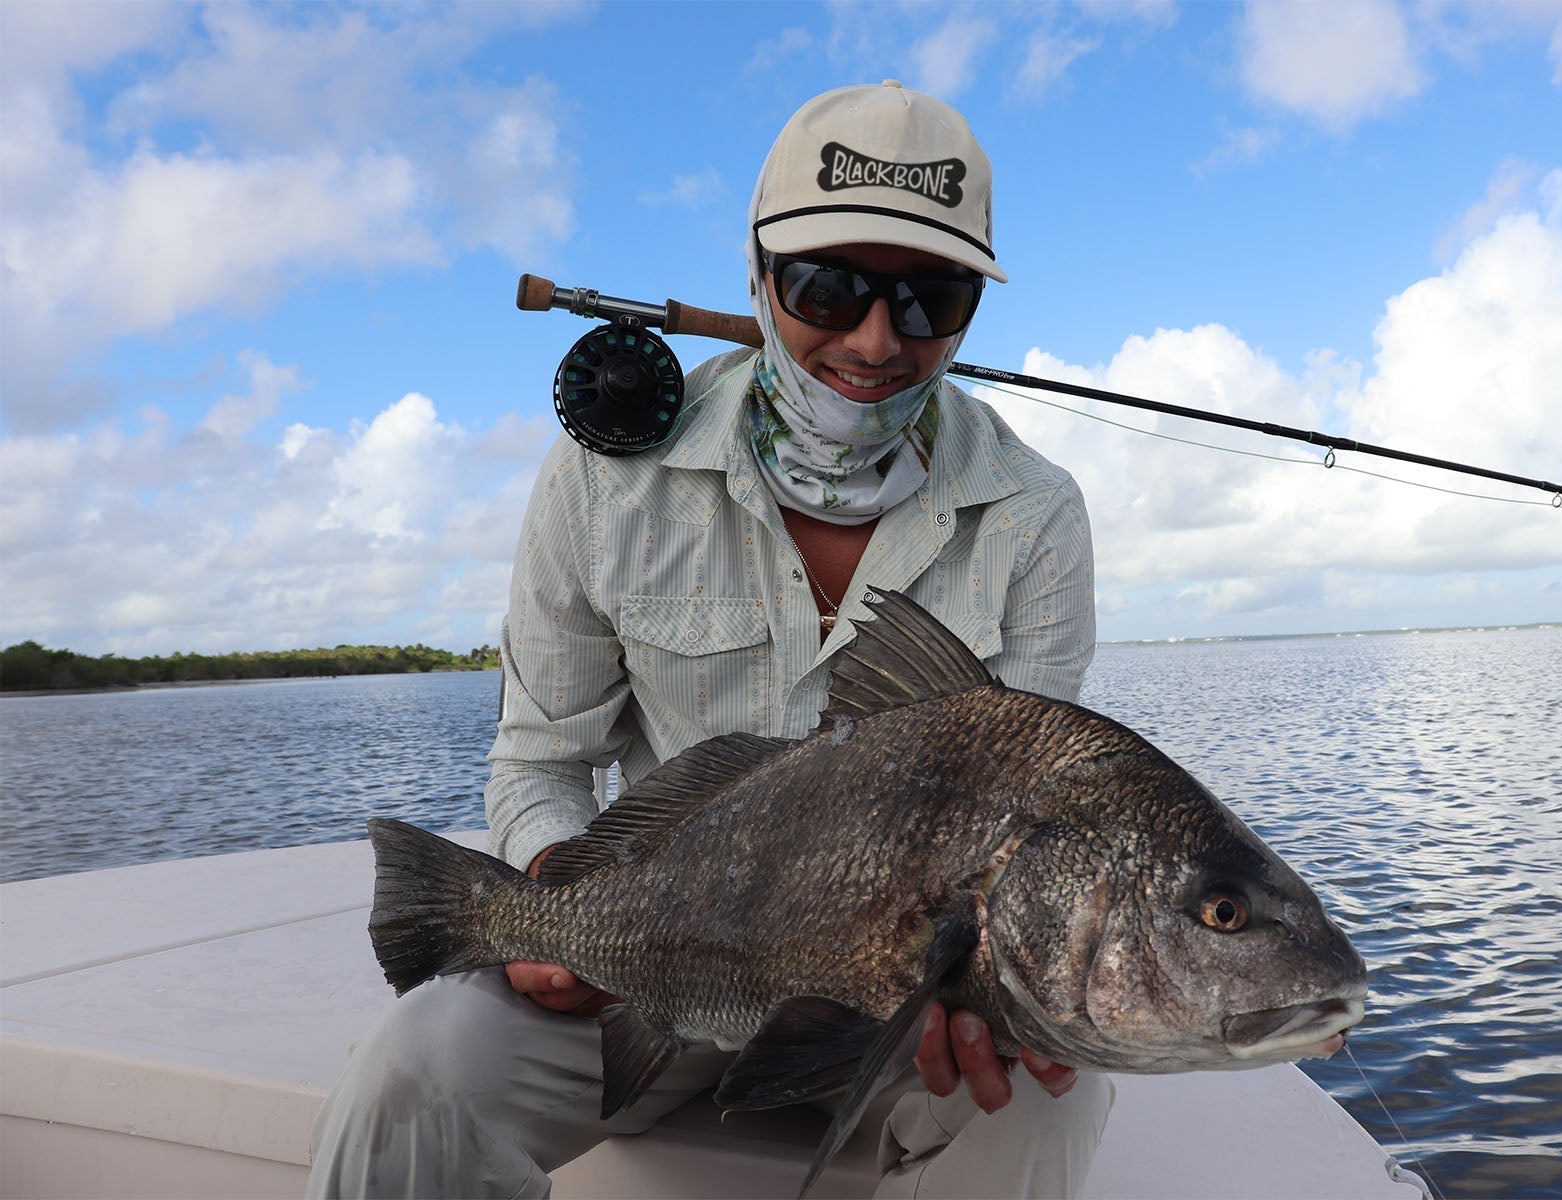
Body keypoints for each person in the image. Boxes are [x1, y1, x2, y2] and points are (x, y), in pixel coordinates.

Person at [309, 80, 1109, 1199]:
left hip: (898, 1008)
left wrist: (990, 993)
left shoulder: (1035, 516)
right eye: (828, 287)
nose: (877, 340)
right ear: (757, 271)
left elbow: (1027, 825)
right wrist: (555, 894)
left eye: (932, 299)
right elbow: (540, 759)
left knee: (1044, 1106)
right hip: (649, 981)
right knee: (415, 1073)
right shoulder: (605, 481)